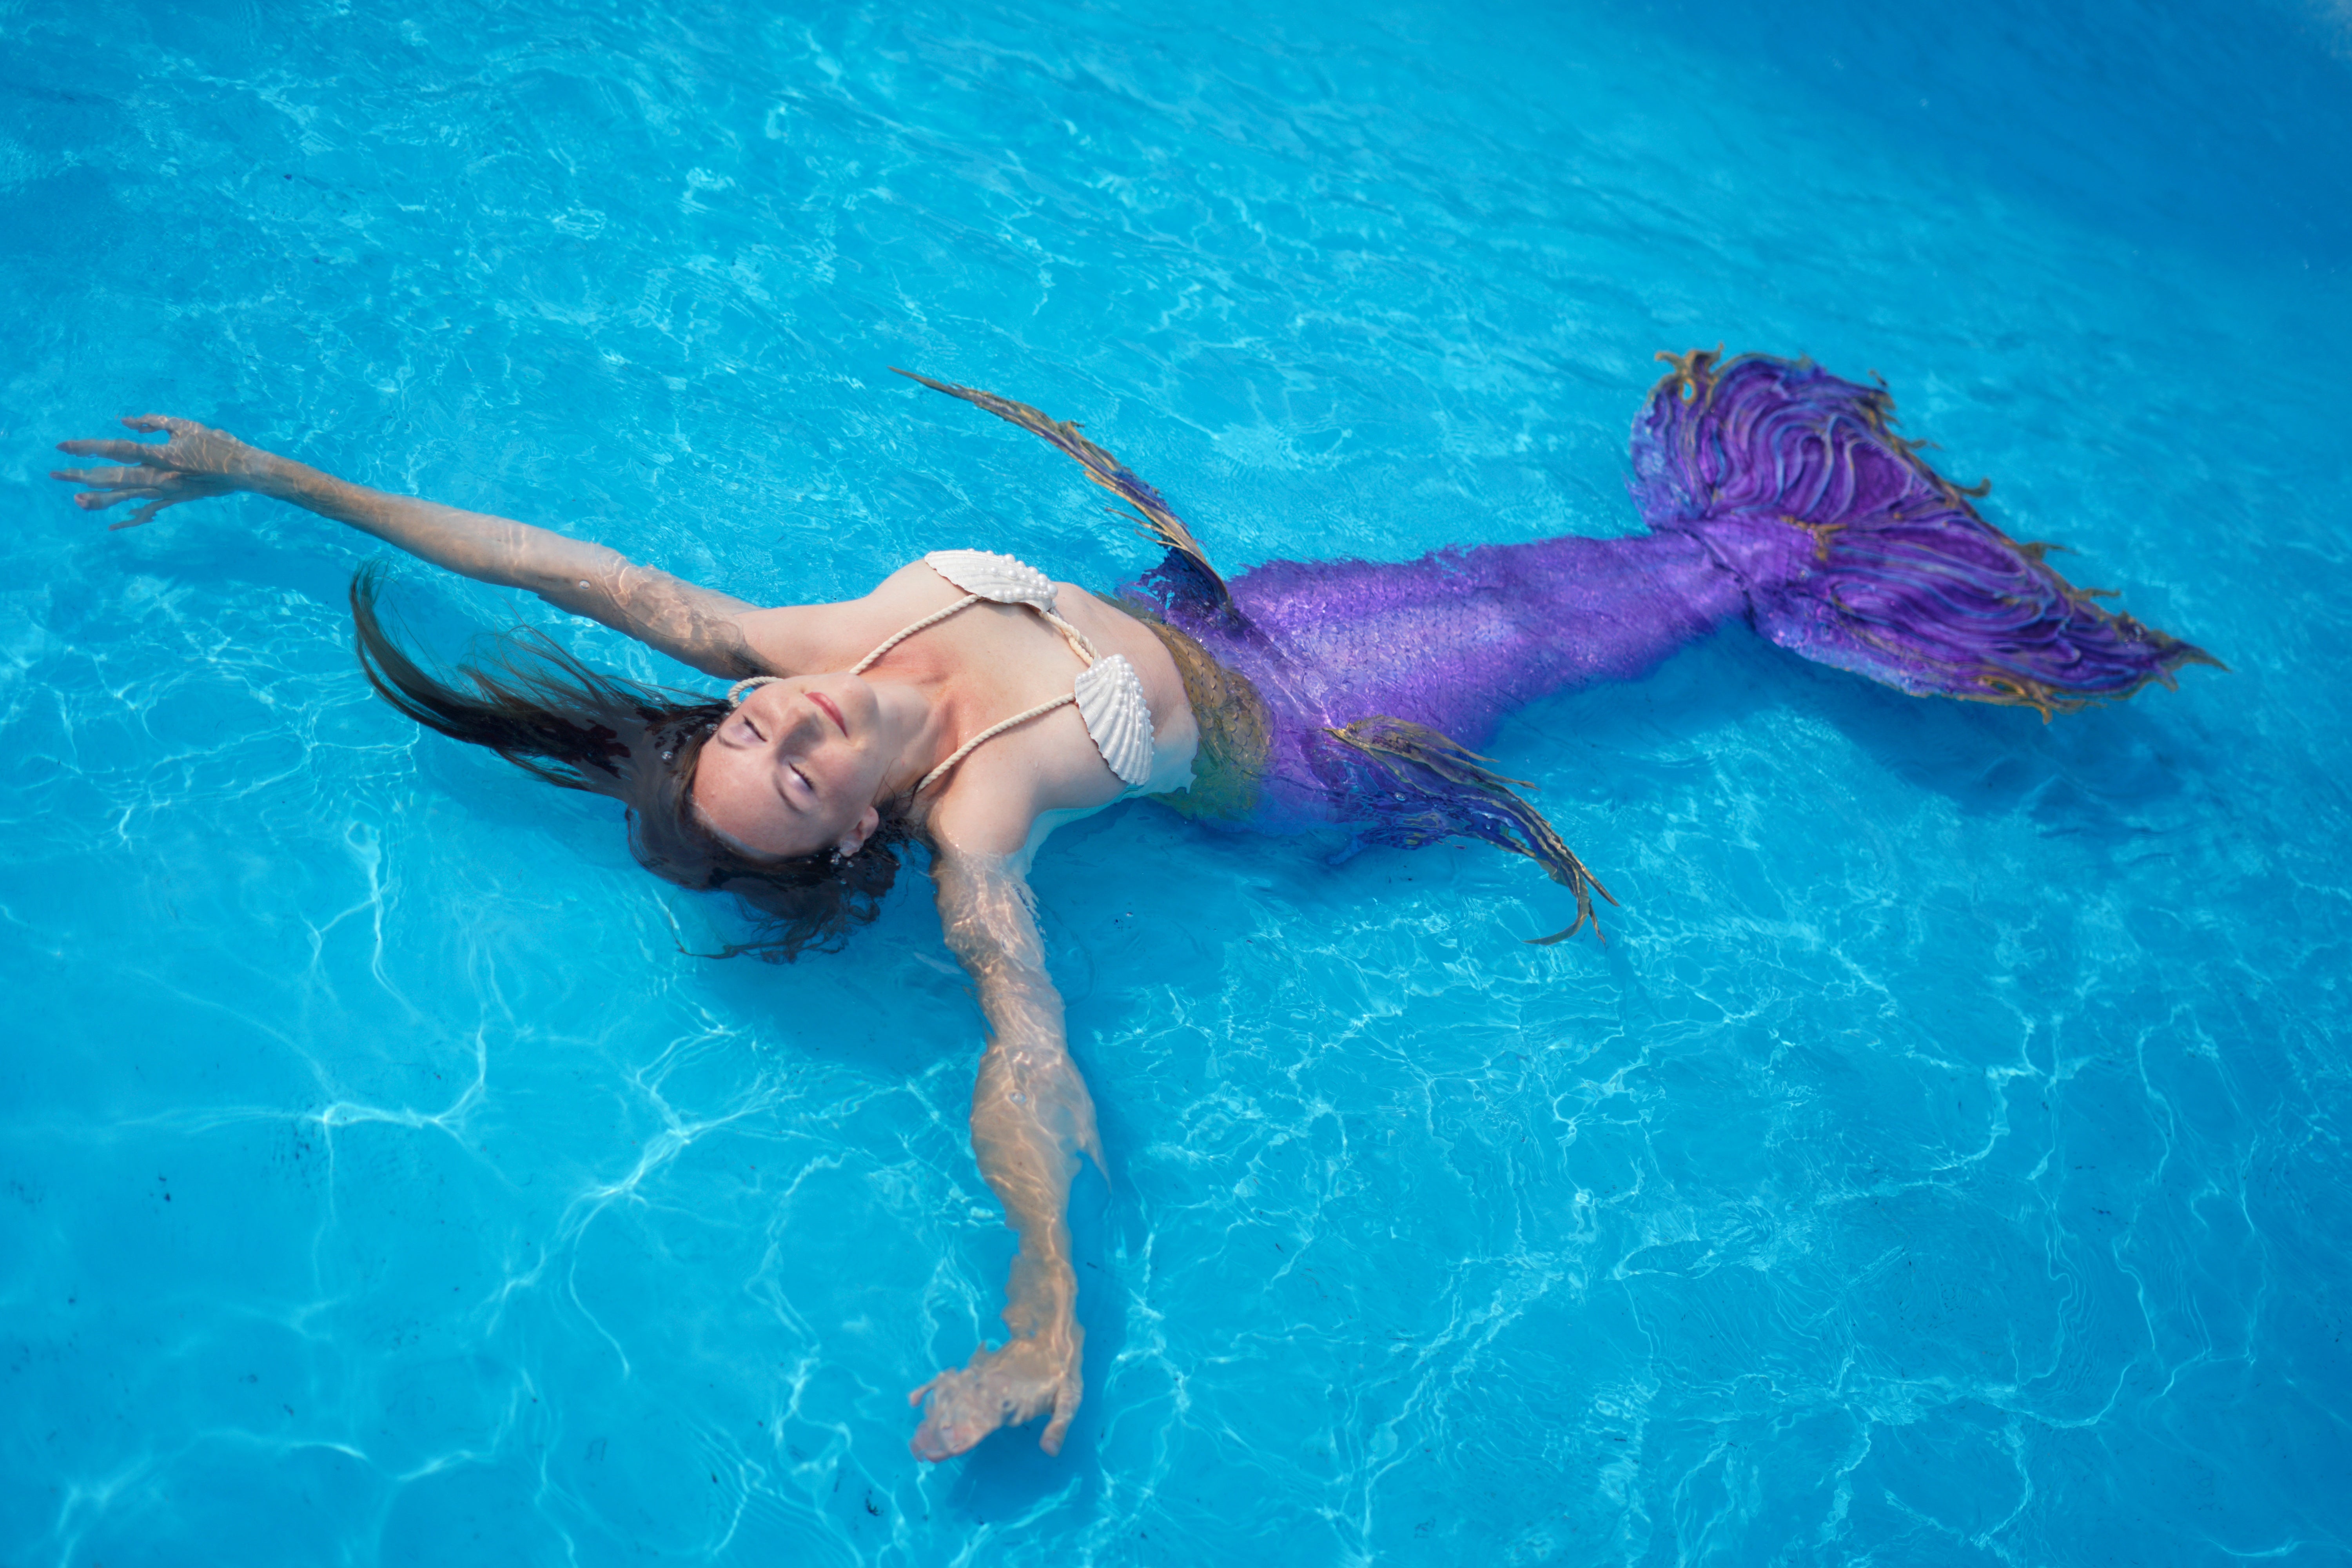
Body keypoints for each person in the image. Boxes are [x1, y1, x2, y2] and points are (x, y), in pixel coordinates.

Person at [51, 349, 2215, 1461]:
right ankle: (1857, 579)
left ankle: (1801, 552)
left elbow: (556, 570)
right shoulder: (977, 829)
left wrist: (276, 477)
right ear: (859, 853)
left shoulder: (812, 630)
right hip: (1322, 737)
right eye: (798, 781)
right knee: (1629, 605)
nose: (799, 724)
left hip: (1235, 618)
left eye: (759, 725)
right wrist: (1045, 1308)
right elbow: (1022, 1056)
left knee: (1530, 564)